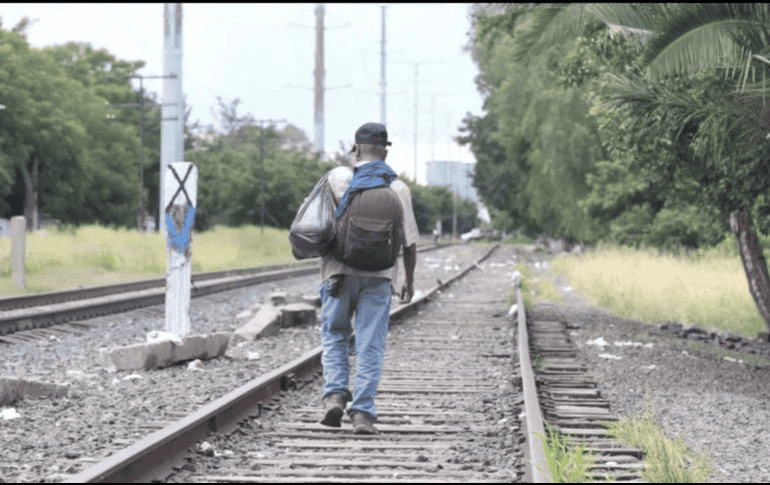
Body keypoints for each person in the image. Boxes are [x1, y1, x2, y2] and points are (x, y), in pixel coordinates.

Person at [317, 122, 419, 434]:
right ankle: (362, 413)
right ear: (385, 150)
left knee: (335, 335)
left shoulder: (336, 178)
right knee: (369, 344)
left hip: (337, 274)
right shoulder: (398, 188)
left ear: (356, 148)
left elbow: (315, 226)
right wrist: (409, 281)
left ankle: (335, 395)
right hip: (380, 277)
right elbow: (410, 243)